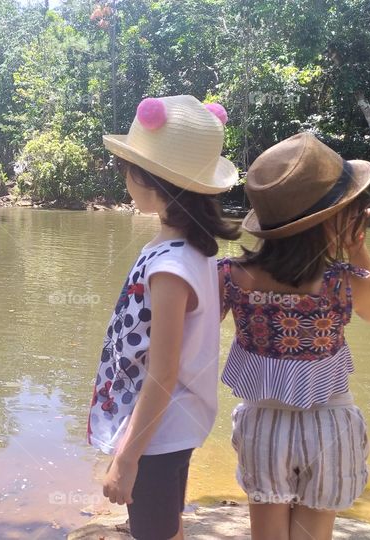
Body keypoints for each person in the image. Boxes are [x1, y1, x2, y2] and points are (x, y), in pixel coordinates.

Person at [218, 132, 370, 540]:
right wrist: (358, 250)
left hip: (263, 423)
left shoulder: (231, 276)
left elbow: (198, 332)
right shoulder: (344, 282)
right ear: (335, 220)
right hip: (330, 425)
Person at [87, 95, 239, 540]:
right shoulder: (192, 250)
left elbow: (162, 371)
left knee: (152, 533)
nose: (125, 179)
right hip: (174, 425)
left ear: (149, 180)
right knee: (167, 528)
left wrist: (128, 457)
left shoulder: (171, 267)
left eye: (127, 169)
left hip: (157, 432)